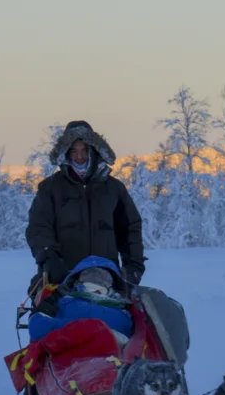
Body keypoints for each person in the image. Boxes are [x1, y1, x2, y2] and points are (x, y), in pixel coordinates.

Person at [25, 120, 145, 290]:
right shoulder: (50, 188)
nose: (79, 157)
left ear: (94, 151)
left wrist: (134, 265)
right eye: (74, 151)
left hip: (107, 278)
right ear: (65, 153)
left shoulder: (114, 188)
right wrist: (48, 257)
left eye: (84, 150)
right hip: (61, 277)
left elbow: (130, 228)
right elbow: (38, 227)